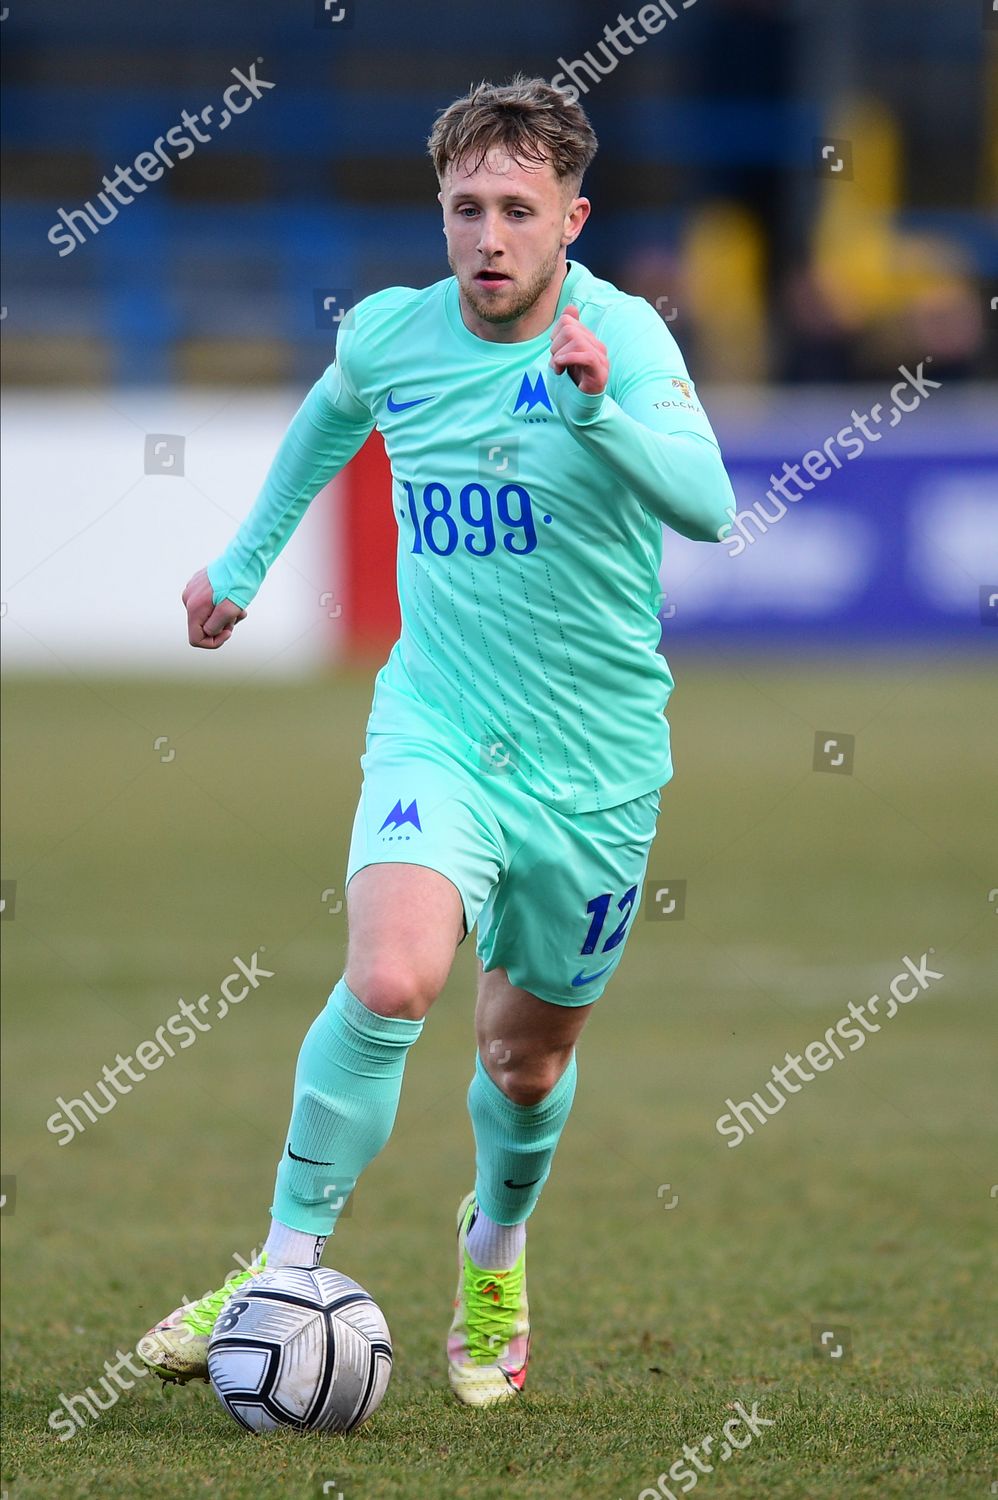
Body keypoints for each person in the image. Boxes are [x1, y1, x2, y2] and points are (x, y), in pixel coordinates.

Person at [138, 74, 735, 1409]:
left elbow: (704, 505)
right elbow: (330, 416)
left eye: (517, 209)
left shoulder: (620, 338)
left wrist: (594, 409)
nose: (486, 236)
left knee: (524, 1061)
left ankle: (493, 1248)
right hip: (439, 732)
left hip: (593, 770)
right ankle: (281, 1271)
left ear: (569, 218)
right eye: (464, 207)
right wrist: (238, 565)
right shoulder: (397, 334)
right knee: (395, 979)